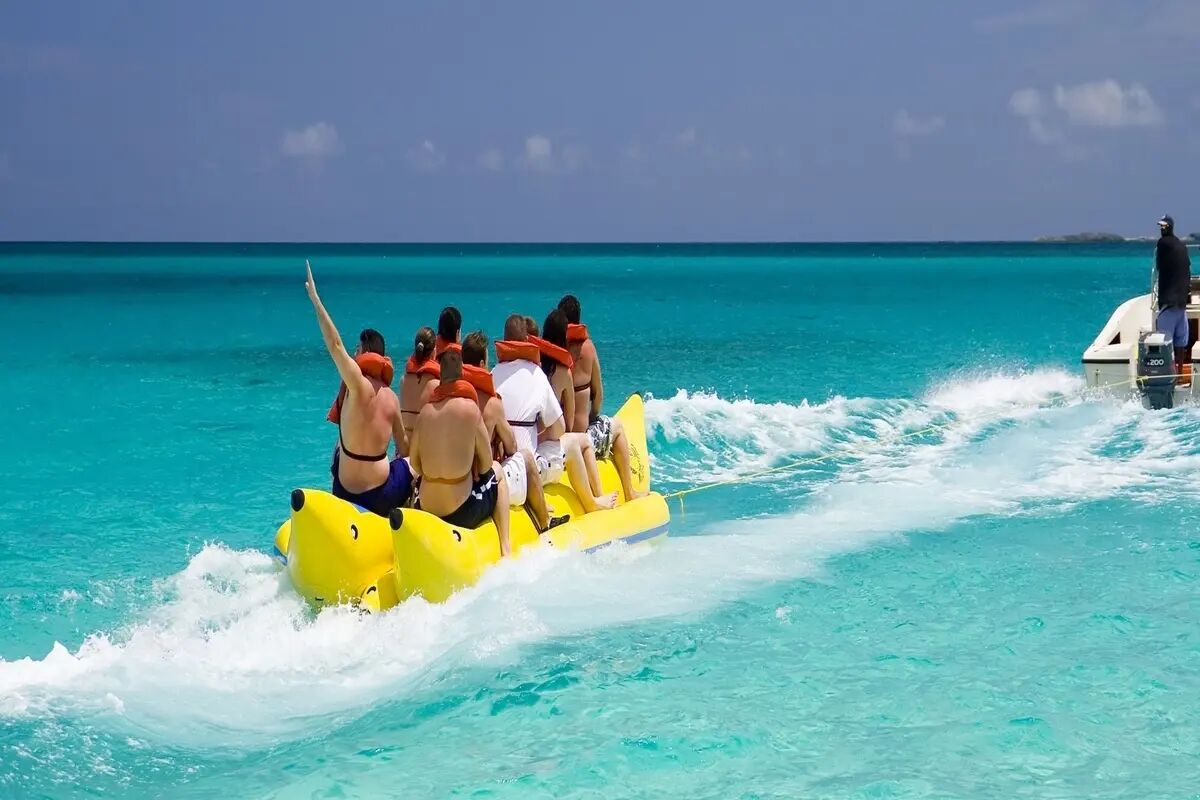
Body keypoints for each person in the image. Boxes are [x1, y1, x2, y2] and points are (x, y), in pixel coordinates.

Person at [306, 262, 413, 516]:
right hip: (381, 495)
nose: (353, 353)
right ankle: (406, 520)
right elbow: (404, 447)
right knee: (411, 466)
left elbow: (334, 345)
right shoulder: (391, 398)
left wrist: (316, 300)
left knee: (338, 448)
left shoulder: (357, 385)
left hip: (344, 492)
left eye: (357, 349)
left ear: (364, 353)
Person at [492, 314, 616, 513]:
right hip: (528, 471)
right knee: (573, 444)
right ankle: (591, 503)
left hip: (501, 469)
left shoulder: (493, 374)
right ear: (527, 341)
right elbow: (559, 429)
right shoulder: (535, 374)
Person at [462, 331, 567, 532]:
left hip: (456, 484)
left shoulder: (449, 401)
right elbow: (512, 447)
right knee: (526, 456)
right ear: (483, 364)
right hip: (484, 485)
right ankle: (545, 522)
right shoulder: (492, 402)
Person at [410, 348, 512, 555]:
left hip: (426, 508)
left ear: (440, 378)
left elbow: (414, 463)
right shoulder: (470, 410)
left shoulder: (425, 413)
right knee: (497, 472)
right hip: (461, 511)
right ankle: (505, 545)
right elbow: (485, 465)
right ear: (462, 376)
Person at [558, 294, 648, 501]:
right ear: (579, 320)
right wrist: (593, 417)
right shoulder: (587, 348)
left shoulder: (553, 355)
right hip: (584, 436)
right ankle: (630, 491)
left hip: (560, 441)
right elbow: (598, 396)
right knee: (617, 427)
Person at [533, 309, 603, 497]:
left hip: (533, 446)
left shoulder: (533, 368)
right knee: (586, 440)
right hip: (554, 449)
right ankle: (596, 497)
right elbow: (569, 423)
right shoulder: (564, 372)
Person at [1155, 214, 1192, 384]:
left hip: (1168, 304)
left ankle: (1168, 378)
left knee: (1164, 343)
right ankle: (1178, 374)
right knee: (1180, 343)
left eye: (1163, 226)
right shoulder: (1182, 246)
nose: (1161, 229)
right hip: (1181, 304)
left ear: (1168, 227)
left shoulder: (1163, 243)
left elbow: (1159, 267)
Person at [399, 326, 440, 453]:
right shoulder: (436, 384)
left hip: (402, 453)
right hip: (424, 455)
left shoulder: (402, 381)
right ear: (434, 351)